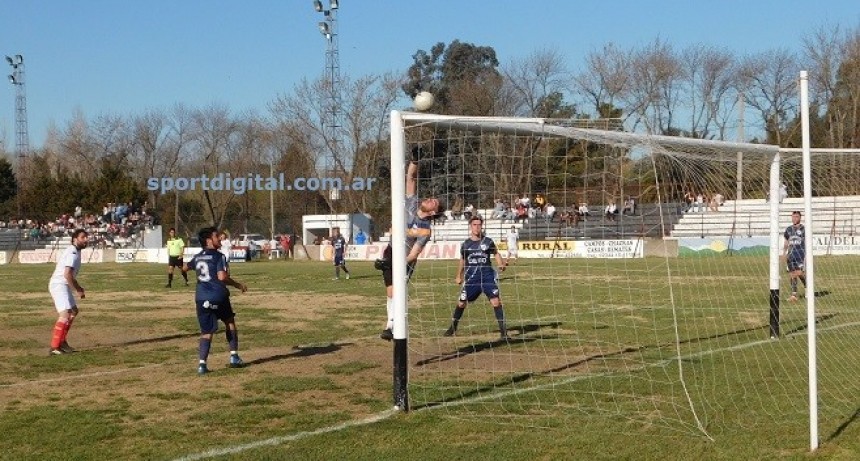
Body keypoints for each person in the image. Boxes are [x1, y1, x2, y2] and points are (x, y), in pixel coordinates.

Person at [379, 160, 440, 341]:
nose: (429, 199)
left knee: (397, 290)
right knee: (390, 292)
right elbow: (411, 178)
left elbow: (414, 253)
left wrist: (399, 263)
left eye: (433, 202)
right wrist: (415, 160)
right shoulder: (412, 204)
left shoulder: (425, 229)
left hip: (405, 259)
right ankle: (391, 324)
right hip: (390, 251)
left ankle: (390, 326)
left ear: (433, 212)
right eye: (430, 198)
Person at [184, 227, 248, 375]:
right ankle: (234, 357)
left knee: (206, 332)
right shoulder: (219, 256)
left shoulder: (198, 256)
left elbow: (185, 267)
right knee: (229, 321)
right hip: (218, 295)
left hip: (201, 298)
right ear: (208, 240)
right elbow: (222, 277)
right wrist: (238, 285)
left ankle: (202, 365)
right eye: (216, 236)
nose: (219, 238)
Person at [443, 216, 509, 339]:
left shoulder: (488, 241)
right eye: (474, 225)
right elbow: (462, 260)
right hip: (472, 278)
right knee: (461, 303)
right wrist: (459, 275)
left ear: (482, 226)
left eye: (479, 225)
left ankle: (504, 333)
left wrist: (500, 264)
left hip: (487, 277)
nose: (477, 227)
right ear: (470, 226)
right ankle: (452, 327)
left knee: (496, 302)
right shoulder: (466, 244)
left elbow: (496, 253)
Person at [48, 229, 89, 355]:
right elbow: (67, 274)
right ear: (75, 239)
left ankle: (62, 342)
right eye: (83, 237)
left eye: (86, 237)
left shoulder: (75, 251)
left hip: (63, 285)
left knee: (73, 311)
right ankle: (55, 347)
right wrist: (78, 289)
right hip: (59, 285)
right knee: (65, 314)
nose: (86, 239)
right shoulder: (72, 252)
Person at [782, 211, 807, 302]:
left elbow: (807, 242)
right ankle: (794, 295)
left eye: (796, 217)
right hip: (791, 255)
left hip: (801, 254)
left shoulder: (804, 229)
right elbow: (786, 242)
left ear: (800, 218)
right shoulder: (788, 229)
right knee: (792, 274)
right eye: (793, 217)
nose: (794, 218)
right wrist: (784, 253)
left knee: (799, 273)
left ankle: (807, 286)